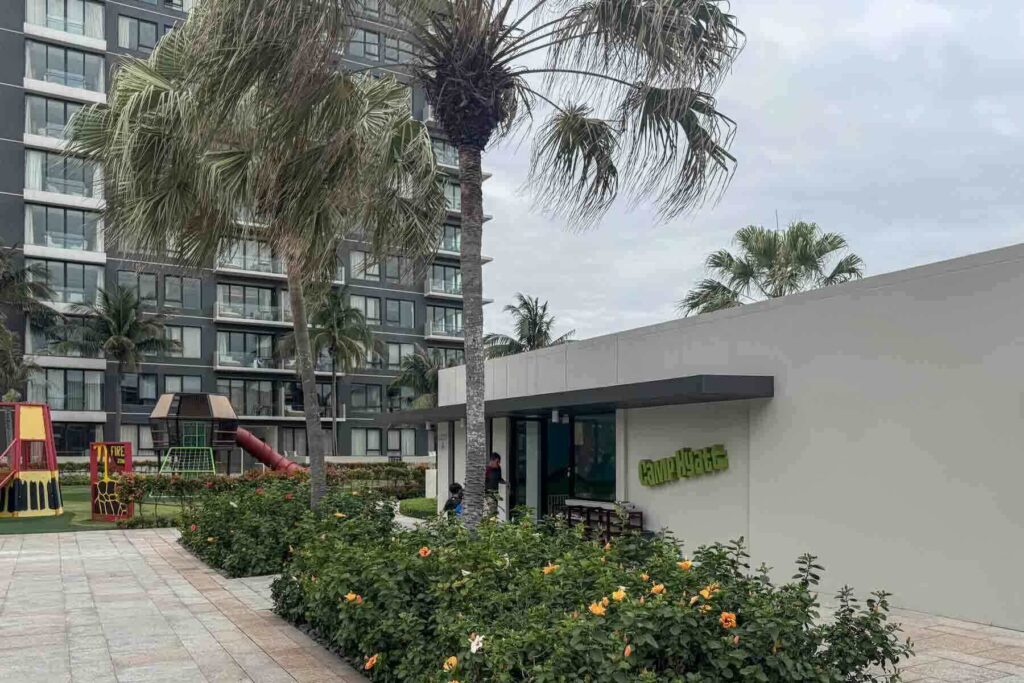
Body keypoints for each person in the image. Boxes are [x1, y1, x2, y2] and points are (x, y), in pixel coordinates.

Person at [484, 453, 505, 518]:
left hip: (495, 493)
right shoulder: (486, 469)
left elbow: (499, 479)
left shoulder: (498, 468)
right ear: (492, 461)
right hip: (487, 493)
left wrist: (505, 483)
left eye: (499, 462)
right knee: (491, 509)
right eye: (497, 462)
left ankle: (492, 523)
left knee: (495, 510)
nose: (498, 463)